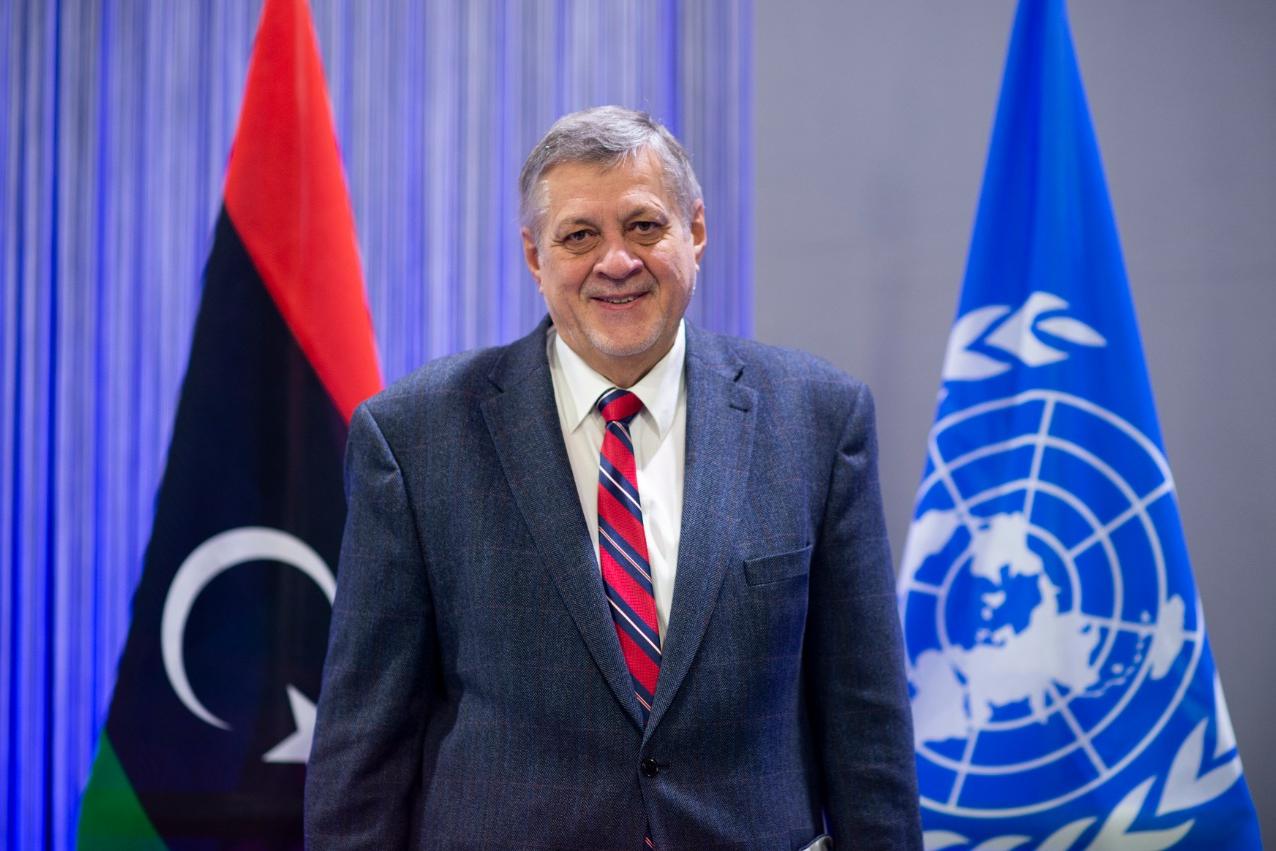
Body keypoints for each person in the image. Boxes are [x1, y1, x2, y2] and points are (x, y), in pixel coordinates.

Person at [305, 106, 921, 850]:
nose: (617, 261)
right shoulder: (414, 437)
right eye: (579, 236)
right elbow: (364, 747)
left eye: (644, 226)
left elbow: (867, 727)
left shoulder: (818, 419)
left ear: (696, 231)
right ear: (535, 257)